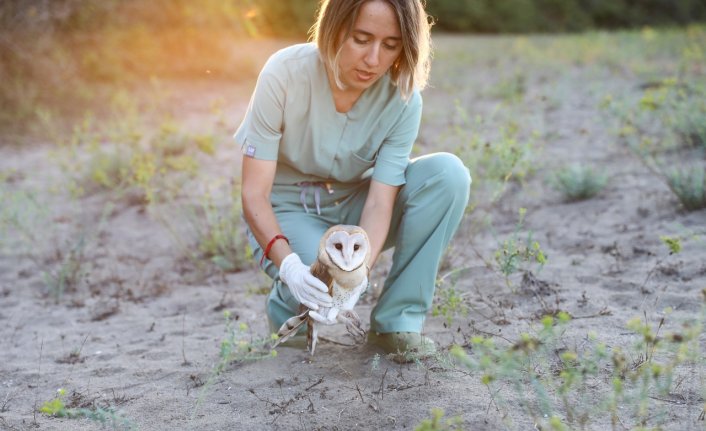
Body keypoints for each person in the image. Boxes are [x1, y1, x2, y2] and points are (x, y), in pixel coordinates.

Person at [235, 0, 470, 363]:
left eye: (391, 45)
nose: (374, 59)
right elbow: (254, 194)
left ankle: (396, 323)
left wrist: (358, 274)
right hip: (287, 207)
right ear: (335, 28)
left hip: (355, 206)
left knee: (447, 174)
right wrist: (291, 268)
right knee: (315, 277)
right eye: (362, 39)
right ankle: (288, 312)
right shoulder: (283, 73)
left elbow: (379, 202)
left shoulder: (404, 98)